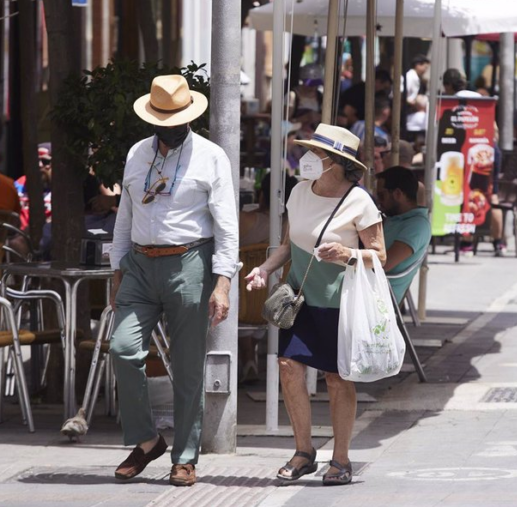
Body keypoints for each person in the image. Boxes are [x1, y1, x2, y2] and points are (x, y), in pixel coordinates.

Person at [109, 75, 239, 487]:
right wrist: (118, 270)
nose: (170, 127)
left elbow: (227, 226)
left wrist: (223, 283)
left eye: (178, 120)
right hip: (140, 265)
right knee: (122, 349)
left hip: (190, 262)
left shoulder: (211, 156)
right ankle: (148, 440)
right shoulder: (136, 153)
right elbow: (124, 215)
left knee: (187, 368)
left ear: (190, 117)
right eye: (163, 120)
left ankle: (185, 456)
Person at [245, 124, 386, 486]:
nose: (307, 158)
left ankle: (341, 459)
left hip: (341, 302)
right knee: (288, 365)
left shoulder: (360, 201)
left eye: (316, 153)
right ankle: (304, 451)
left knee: (337, 378)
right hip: (302, 297)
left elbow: (379, 255)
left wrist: (348, 253)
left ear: (335, 162)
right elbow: (289, 245)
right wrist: (263, 269)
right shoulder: (298, 193)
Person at [238, 172, 297, 383]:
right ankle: (251, 355)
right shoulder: (294, 227)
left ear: (262, 194)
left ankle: (246, 357)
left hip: (242, 298)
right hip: (278, 303)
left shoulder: (246, 220)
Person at [443, 68, 506, 256]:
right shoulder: (480, 98)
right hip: (490, 151)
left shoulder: (451, 103)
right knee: (492, 195)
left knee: (466, 195)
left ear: (448, 85)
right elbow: (494, 131)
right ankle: (498, 243)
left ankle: (466, 243)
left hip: (465, 152)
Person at [375, 167, 431, 301]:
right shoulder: (394, 218)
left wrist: (349, 256)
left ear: (398, 194)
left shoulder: (417, 225)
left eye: (381, 195)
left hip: (379, 296)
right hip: (369, 286)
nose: (379, 201)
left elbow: (384, 264)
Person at [16, 143, 53, 229]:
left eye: (45, 161)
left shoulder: (61, 189)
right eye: (36, 161)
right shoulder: (19, 183)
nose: (39, 165)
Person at [405, 55, 431, 137]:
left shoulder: (416, 77)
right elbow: (404, 93)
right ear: (418, 65)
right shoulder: (410, 76)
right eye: (425, 67)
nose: (425, 70)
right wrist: (411, 102)